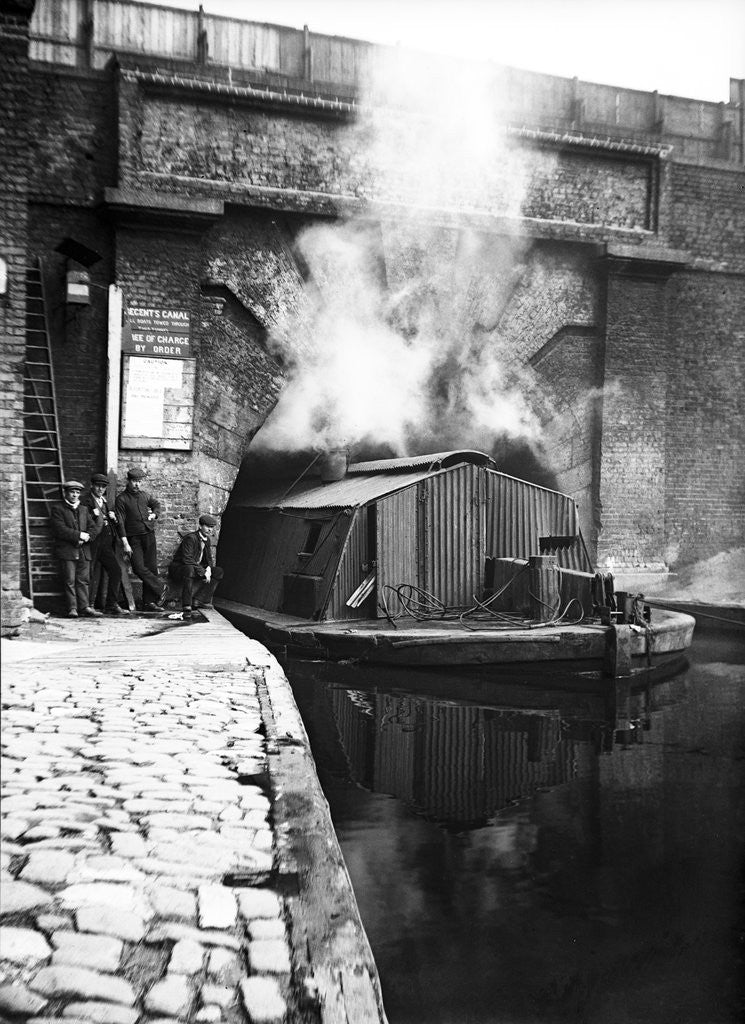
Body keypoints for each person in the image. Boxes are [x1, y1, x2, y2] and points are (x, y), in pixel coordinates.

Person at [115, 466, 166, 611]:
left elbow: (156, 504)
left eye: (139, 481)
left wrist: (154, 514)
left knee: (151, 567)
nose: (137, 484)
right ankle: (161, 587)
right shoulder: (121, 499)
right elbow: (120, 523)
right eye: (134, 481)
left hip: (149, 535)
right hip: (134, 538)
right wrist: (125, 543)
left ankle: (149, 602)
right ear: (128, 481)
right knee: (138, 568)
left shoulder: (144, 495)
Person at [49, 480, 102, 618]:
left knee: (83, 579)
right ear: (66, 493)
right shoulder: (58, 509)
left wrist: (87, 537)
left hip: (84, 551)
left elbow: (94, 528)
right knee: (69, 580)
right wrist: (78, 535)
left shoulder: (84, 509)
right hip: (67, 550)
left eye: (77, 492)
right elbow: (60, 529)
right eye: (72, 492)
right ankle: (72, 608)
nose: (74, 495)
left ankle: (84, 606)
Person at [83, 472, 129, 615]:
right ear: (92, 486)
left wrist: (113, 518)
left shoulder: (106, 502)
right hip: (92, 543)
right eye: (98, 486)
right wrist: (94, 515)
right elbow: (82, 520)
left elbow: (115, 523)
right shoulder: (86, 501)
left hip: (106, 543)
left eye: (103, 487)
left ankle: (111, 604)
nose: (100, 489)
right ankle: (88, 605)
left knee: (116, 571)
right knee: (89, 573)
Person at [162, 513, 224, 619]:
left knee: (218, 571)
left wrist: (208, 569)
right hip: (179, 569)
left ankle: (199, 600)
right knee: (189, 569)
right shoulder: (190, 538)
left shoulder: (207, 540)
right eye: (208, 527)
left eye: (212, 528)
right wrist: (203, 572)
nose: (210, 530)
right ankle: (187, 605)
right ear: (200, 526)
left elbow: (208, 559)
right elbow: (187, 559)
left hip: (194, 568)